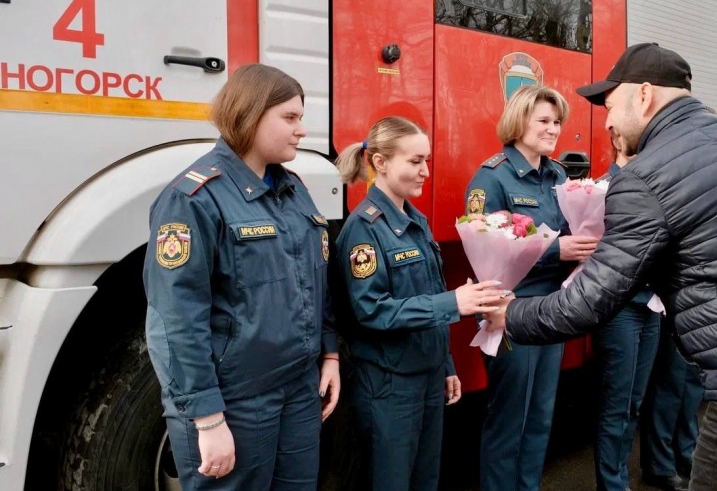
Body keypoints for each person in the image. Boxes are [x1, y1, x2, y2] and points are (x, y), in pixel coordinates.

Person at [496, 42, 717, 491]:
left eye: (611, 105)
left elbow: (588, 303)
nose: (609, 121)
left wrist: (509, 314)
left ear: (643, 95)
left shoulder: (646, 175)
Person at [143, 64, 340, 490]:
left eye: (301, 118)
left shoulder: (293, 189)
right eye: (289, 117)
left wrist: (330, 353)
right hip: (236, 402)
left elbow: (316, 279)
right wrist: (208, 418)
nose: (301, 130)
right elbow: (175, 321)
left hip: (298, 391)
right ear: (250, 115)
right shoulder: (192, 199)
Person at [334, 116, 507, 491]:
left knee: (426, 480)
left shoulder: (416, 221)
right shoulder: (363, 230)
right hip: (389, 384)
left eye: (426, 160)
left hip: (427, 376)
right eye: (414, 161)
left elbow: (428, 292)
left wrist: (445, 365)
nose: (426, 171)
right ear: (380, 163)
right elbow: (371, 310)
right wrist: (453, 302)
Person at [464, 85, 597, 491]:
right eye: (544, 121)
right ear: (519, 121)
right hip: (512, 311)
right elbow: (484, 245)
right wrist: (558, 249)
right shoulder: (491, 177)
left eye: (557, 122)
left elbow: (572, 226)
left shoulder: (558, 175)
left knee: (540, 415)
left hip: (553, 309)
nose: (553, 129)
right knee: (509, 418)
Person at [594, 132, 661, 491]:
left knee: (635, 401)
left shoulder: (653, 185)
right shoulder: (602, 188)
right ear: (618, 139)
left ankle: (618, 479)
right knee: (617, 402)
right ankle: (612, 484)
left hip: (652, 306)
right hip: (619, 308)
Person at [639, 329, 703, 491]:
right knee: (670, 381)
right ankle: (659, 465)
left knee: (691, 382)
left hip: (698, 309)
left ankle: (686, 454)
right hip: (670, 311)